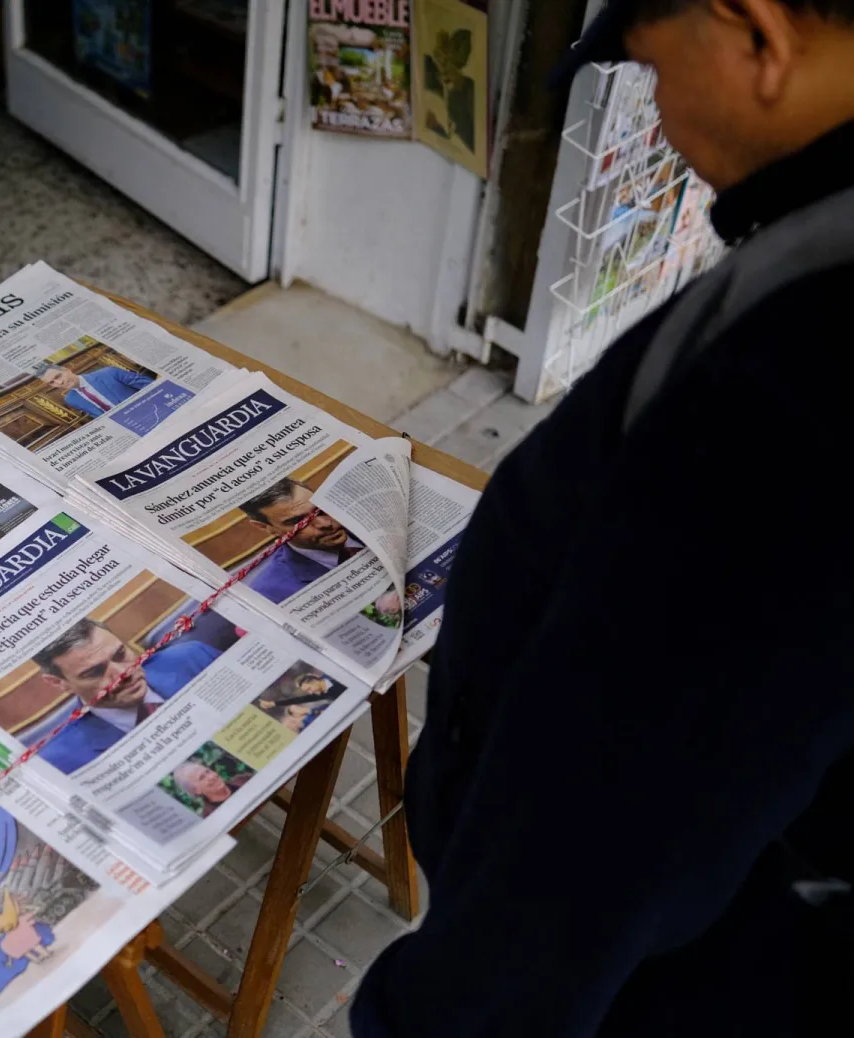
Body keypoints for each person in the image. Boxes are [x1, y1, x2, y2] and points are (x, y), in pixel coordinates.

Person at [350, 3, 854, 1036]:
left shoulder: (797, 389)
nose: (661, 116)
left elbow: (600, 843)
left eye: (657, 67)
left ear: (756, 33)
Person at [33, 619, 221, 774]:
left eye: (120, 654)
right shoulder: (60, 762)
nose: (124, 673)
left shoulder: (193, 657)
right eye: (95, 672)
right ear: (59, 683)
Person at [237, 479, 365, 604]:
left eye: (320, 510)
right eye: (298, 521)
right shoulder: (270, 594)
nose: (325, 523)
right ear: (266, 527)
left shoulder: (368, 523)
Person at [35, 362, 152, 418]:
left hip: (150, 411)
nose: (59, 383)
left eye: (58, 376)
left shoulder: (109, 373)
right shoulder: (71, 399)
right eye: (52, 382)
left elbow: (151, 386)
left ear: (67, 370)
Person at [171, 760, 250, 817]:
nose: (212, 776)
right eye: (202, 777)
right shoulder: (210, 817)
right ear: (196, 790)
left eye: (208, 771)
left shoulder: (244, 779)